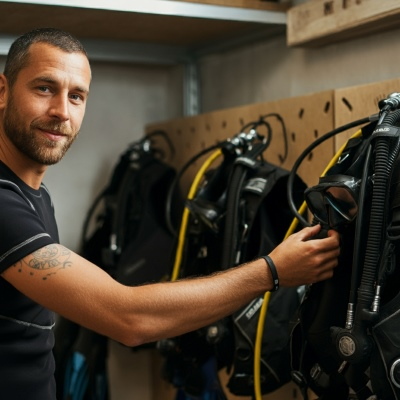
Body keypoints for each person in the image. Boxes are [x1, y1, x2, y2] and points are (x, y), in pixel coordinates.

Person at [0, 28, 340, 399]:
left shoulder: (32, 194)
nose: (62, 111)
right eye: (44, 88)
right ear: (3, 91)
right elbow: (129, 318)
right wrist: (273, 270)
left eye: (77, 96)